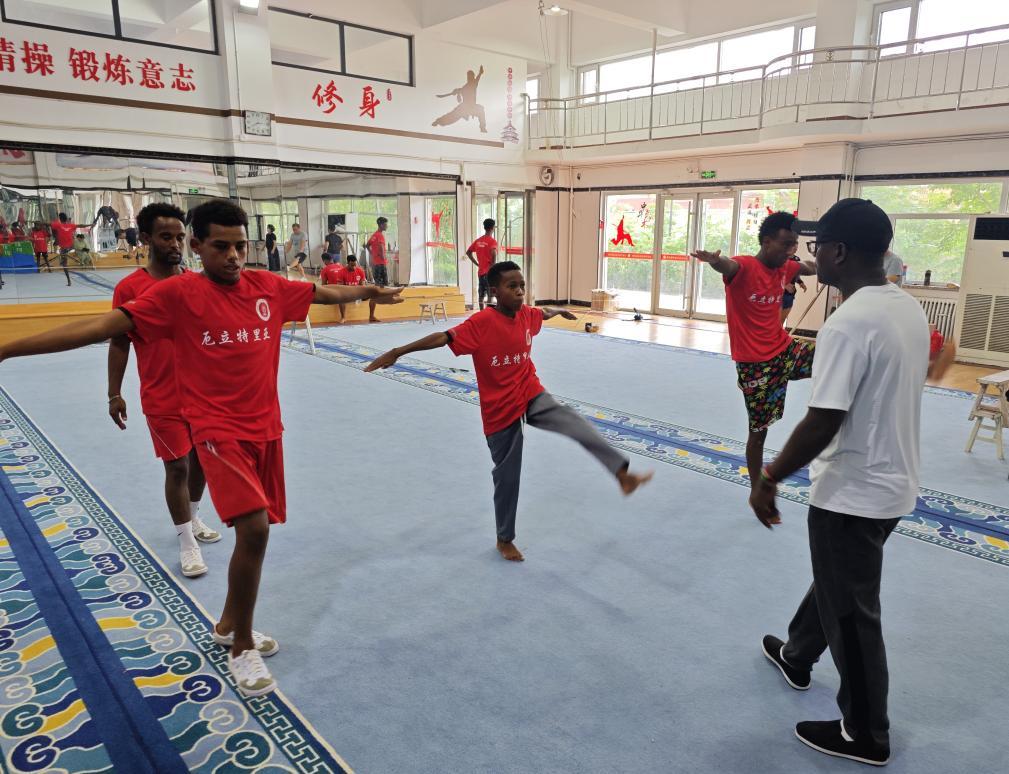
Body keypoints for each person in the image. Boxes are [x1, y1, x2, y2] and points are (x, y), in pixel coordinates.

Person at [0, 198, 404, 698]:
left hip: (265, 429)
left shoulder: (267, 286)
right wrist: (8, 348)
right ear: (197, 246)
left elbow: (322, 291)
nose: (233, 256)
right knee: (253, 530)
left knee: (258, 529)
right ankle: (241, 646)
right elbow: (102, 329)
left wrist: (373, 291)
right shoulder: (177, 295)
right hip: (214, 430)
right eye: (220, 247)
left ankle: (228, 624)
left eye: (240, 247)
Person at [751, 198, 956, 767]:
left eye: (817, 248)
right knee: (839, 581)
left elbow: (823, 419)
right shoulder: (906, 307)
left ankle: (866, 732)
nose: (813, 258)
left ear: (839, 252)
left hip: (854, 491)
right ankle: (796, 654)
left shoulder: (847, 323)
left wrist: (769, 477)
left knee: (852, 613)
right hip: (894, 482)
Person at [365, 261, 653, 562]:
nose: (519, 292)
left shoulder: (526, 314)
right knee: (508, 475)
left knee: (571, 420)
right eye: (511, 286)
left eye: (522, 286)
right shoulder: (481, 323)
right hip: (499, 407)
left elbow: (542, 312)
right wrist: (397, 352)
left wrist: (558, 309)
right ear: (494, 291)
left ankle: (622, 474)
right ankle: (504, 539)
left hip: (529, 391)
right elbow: (444, 337)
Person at [108, 203, 217, 579]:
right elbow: (119, 342)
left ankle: (194, 517)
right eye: (165, 237)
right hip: (162, 395)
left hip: (203, 394)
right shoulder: (129, 288)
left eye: (179, 237)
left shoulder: (197, 283)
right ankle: (186, 543)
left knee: (203, 461)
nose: (174, 244)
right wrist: (114, 393)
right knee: (177, 466)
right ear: (145, 238)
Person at [690, 211, 817, 492]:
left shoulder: (786, 267)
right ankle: (757, 488)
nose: (791, 250)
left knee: (832, 358)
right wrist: (715, 261)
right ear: (767, 241)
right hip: (756, 365)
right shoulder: (746, 267)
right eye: (786, 244)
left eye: (794, 244)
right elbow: (729, 265)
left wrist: (830, 260)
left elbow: (808, 267)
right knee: (758, 433)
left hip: (785, 350)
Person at [466, 218, 498, 310]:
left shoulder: (478, 241)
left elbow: (468, 252)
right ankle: (488, 313)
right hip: (489, 273)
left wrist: (477, 264)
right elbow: (494, 253)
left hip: (481, 273)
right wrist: (493, 267)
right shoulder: (492, 241)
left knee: (481, 295)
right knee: (490, 295)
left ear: (484, 227)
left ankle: (481, 313)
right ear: (493, 228)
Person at [366, 217, 390, 322]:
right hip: (380, 264)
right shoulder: (379, 235)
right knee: (378, 289)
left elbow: (367, 245)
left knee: (380, 287)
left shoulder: (374, 235)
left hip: (376, 264)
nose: (387, 226)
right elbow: (381, 248)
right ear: (381, 225)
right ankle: (371, 315)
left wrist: (372, 254)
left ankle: (372, 314)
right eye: (385, 224)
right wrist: (383, 257)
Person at [50, 212, 79, 286]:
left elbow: (48, 224)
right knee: (64, 261)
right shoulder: (70, 225)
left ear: (60, 219)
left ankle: (69, 280)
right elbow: (80, 225)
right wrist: (90, 225)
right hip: (69, 246)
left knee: (64, 264)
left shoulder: (59, 225)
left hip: (66, 247)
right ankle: (63, 257)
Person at [780, 256, 807, 325]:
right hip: (779, 295)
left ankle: (779, 331)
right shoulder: (780, 257)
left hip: (790, 295)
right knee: (775, 320)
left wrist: (801, 282)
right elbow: (773, 274)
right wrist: (784, 285)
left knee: (782, 320)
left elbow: (796, 274)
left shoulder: (796, 259)